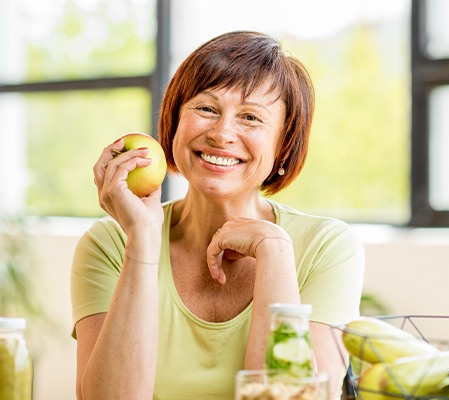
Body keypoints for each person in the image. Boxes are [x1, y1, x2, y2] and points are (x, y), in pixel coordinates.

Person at [71, 30, 365, 400]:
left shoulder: (327, 246)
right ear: (174, 121)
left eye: (251, 118)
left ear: (283, 143)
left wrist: (273, 250)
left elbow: (288, 397)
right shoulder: (110, 243)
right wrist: (143, 241)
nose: (222, 133)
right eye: (206, 109)